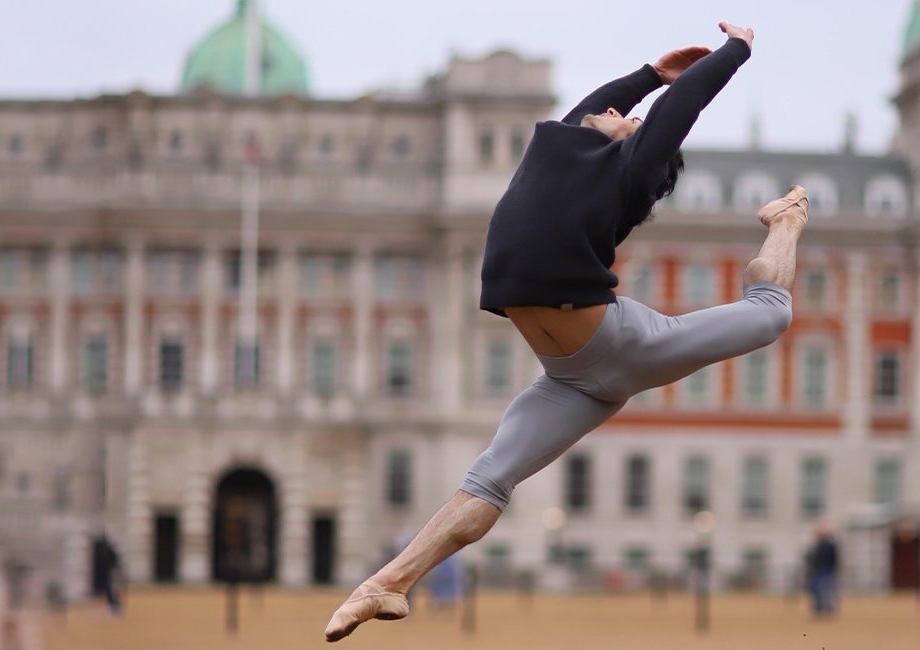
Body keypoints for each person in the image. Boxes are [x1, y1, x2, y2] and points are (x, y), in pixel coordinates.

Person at [325, 20, 807, 642]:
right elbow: (593, 108)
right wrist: (648, 77)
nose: (613, 113)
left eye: (628, 118)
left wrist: (734, 50)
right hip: (570, 378)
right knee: (489, 479)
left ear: (634, 143)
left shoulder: (629, 174)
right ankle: (386, 584)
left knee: (772, 312)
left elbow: (676, 113)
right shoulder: (556, 147)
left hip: (624, 345)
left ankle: (786, 220)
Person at [807, 522, 839, 617]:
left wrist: (833, 569)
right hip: (817, 570)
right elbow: (814, 559)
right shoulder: (818, 545)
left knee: (827, 590)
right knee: (814, 589)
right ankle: (818, 608)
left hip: (827, 570)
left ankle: (829, 609)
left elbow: (834, 559)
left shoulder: (830, 546)